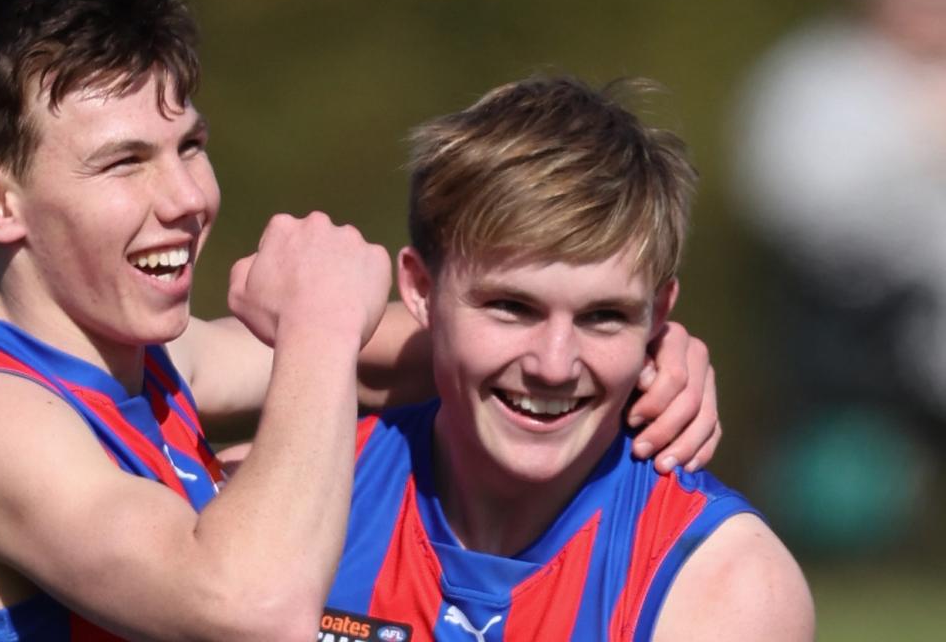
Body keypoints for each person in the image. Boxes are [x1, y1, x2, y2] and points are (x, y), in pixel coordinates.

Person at [0, 0, 721, 640]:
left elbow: (439, 355)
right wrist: (315, 321)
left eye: (188, 146)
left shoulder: (154, 365)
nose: (188, 196)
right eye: (125, 163)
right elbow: (252, 607)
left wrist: (634, 360)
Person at [320, 76, 813, 640]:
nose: (555, 365)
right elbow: (199, 366)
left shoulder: (727, 584)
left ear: (658, 316)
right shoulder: (300, 499)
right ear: (420, 290)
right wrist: (319, 333)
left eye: (604, 316)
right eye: (512, 307)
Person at [731, 0, 946, 553]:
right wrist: (913, 142)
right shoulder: (816, 79)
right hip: (850, 312)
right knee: (842, 484)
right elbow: (794, 194)